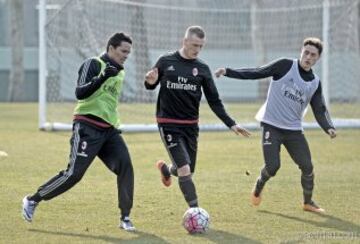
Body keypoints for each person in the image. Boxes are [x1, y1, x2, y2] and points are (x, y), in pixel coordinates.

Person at [22, 32, 136, 231]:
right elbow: (80, 93)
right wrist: (102, 77)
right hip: (87, 127)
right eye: (123, 51)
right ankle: (33, 199)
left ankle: (125, 218)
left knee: (126, 167)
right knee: (74, 174)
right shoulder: (93, 64)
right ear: (111, 48)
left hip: (109, 131)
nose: (126, 55)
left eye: (129, 52)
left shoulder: (120, 71)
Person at [215, 37, 337, 213]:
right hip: (271, 125)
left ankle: (308, 202)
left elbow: (319, 108)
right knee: (273, 167)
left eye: (313, 55)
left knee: (308, 167)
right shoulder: (285, 65)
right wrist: (228, 71)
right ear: (301, 51)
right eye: (306, 52)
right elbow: (257, 72)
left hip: (294, 130)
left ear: (318, 58)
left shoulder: (315, 82)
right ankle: (259, 183)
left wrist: (329, 127)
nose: (308, 57)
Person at [144, 26, 251, 209]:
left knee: (186, 170)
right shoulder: (165, 61)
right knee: (185, 169)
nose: (197, 49)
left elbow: (214, 101)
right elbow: (150, 85)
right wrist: (150, 81)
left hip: (191, 126)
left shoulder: (202, 69)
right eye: (194, 45)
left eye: (201, 46)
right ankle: (196, 212)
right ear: (184, 42)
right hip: (168, 123)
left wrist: (231, 124)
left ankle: (166, 170)